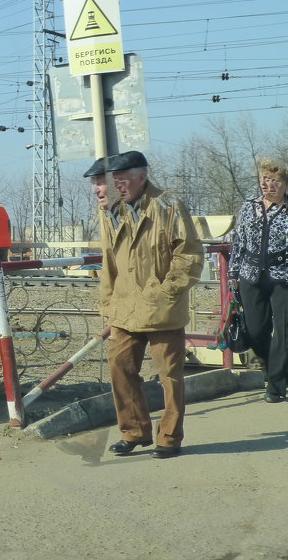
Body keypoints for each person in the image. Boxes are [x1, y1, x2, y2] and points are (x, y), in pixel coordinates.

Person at [94, 150, 203, 459]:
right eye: (115, 181)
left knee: (170, 377)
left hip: (161, 310)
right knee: (120, 369)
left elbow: (190, 255)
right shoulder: (113, 211)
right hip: (125, 308)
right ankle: (133, 432)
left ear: (141, 178)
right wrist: (108, 302)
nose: (118, 187)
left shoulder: (168, 206)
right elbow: (108, 261)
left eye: (123, 180)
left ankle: (169, 438)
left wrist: (166, 292)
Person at [228, 158, 288, 403]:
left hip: (283, 275)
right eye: (264, 179)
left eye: (274, 180)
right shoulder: (249, 206)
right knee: (255, 329)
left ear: (285, 184)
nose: (268, 185)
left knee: (284, 332)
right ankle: (270, 367)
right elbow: (238, 240)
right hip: (250, 274)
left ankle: (275, 386)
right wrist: (233, 273)